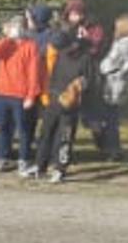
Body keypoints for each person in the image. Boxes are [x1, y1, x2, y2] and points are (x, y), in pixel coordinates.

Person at [0, 14, 45, 176]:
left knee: (23, 130)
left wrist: (31, 95)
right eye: (13, 26)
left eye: (18, 27)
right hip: (2, 93)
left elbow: (34, 72)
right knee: (3, 127)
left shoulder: (30, 46)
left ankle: (24, 160)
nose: (16, 30)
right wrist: (8, 38)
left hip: (21, 95)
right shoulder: (6, 46)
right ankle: (2, 157)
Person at [34, 20, 94, 184]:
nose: (62, 50)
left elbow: (90, 80)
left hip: (70, 104)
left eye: (66, 46)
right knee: (46, 133)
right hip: (54, 99)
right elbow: (52, 75)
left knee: (65, 137)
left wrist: (78, 86)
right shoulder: (60, 54)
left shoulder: (85, 58)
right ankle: (40, 165)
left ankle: (60, 168)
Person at [94, 14, 128, 161]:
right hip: (123, 85)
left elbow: (111, 62)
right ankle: (110, 147)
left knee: (109, 119)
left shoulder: (123, 44)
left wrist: (99, 67)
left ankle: (113, 149)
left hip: (114, 85)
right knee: (111, 117)